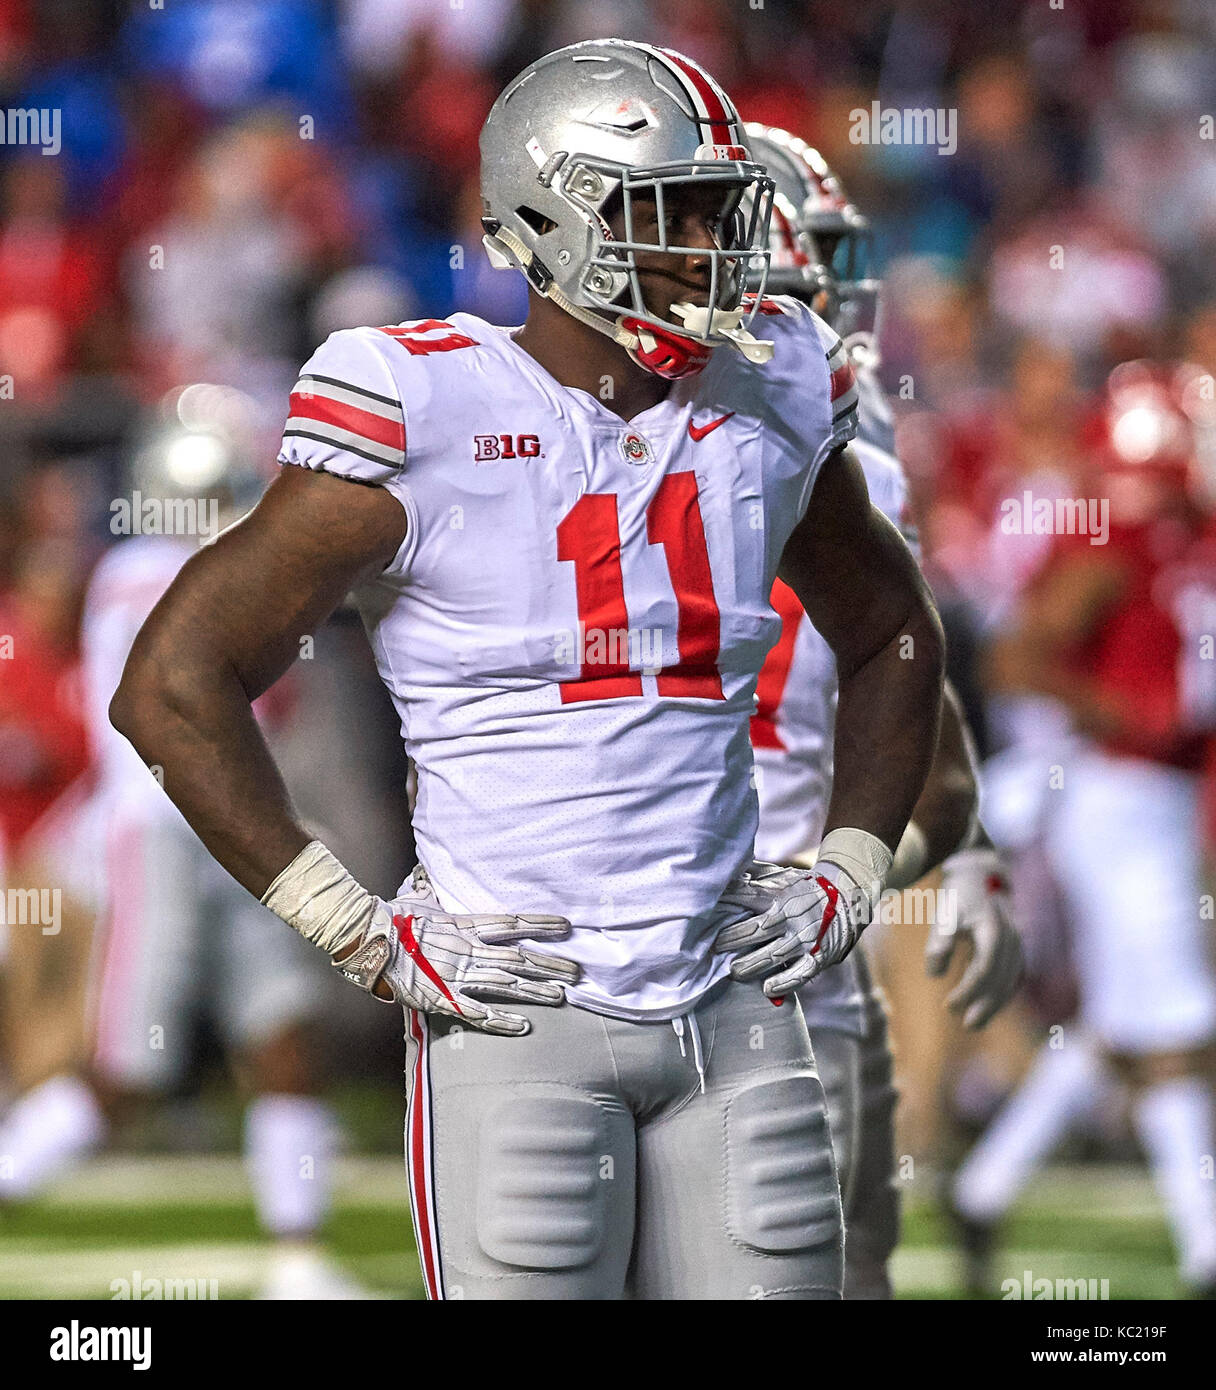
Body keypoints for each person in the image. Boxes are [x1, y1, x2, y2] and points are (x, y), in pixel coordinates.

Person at [110, 39, 944, 1300]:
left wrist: (850, 868)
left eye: (727, 209)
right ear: (554, 227)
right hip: (519, 1013)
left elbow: (891, 630)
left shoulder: (772, 379)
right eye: (681, 213)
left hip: (733, 998)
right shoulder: (420, 406)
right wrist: (356, 929)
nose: (723, 248)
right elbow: (172, 680)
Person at [742, 125, 1024, 1299]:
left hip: (818, 905)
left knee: (854, 1260)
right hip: (671, 928)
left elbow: (904, 680)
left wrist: (953, 843)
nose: (834, 309)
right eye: (806, 282)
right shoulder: (590, 448)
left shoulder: (865, 460)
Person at [0, 394, 363, 1299]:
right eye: (226, 486)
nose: (243, 501)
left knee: (284, 1038)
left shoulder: (187, 569)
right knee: (128, 1070)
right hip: (160, 833)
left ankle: (298, 1262)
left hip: (242, 826)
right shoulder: (141, 573)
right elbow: (240, 695)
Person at [955, 361, 1216, 1296]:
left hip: (1160, 799)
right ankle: (1206, 1247)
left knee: (1121, 1022)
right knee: (1182, 1025)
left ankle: (984, 1189)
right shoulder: (1126, 542)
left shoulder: (1188, 539)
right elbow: (1017, 656)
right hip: (1112, 799)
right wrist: (1111, 707)